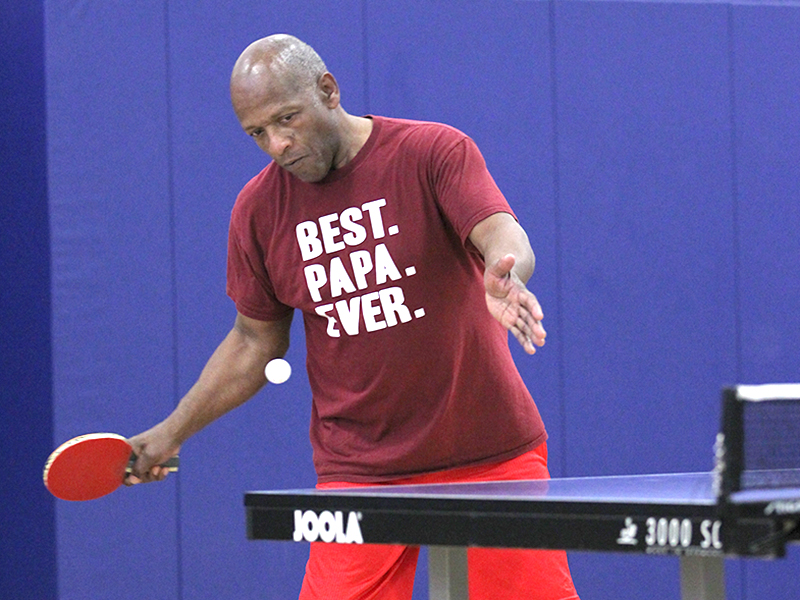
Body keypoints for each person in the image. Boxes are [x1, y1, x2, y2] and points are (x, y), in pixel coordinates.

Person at [127, 34, 579, 600]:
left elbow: (500, 232)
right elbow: (253, 341)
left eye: (286, 118)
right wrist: (172, 432)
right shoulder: (258, 212)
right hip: (360, 471)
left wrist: (506, 270)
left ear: (328, 90)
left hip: (489, 451)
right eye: (257, 133)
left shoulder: (432, 151)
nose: (277, 143)